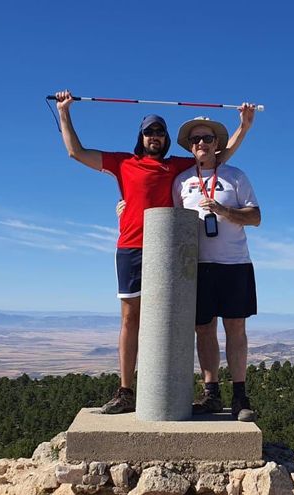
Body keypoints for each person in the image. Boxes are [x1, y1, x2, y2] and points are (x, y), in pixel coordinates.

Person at [53, 90, 255, 414]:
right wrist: (64, 112)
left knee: (172, 320)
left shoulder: (179, 167)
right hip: (131, 248)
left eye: (160, 132)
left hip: (169, 252)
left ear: (166, 139)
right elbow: (76, 152)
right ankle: (125, 391)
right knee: (131, 318)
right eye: (150, 132)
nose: (155, 137)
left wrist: (243, 127)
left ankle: (186, 393)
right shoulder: (122, 163)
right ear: (141, 136)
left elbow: (219, 156)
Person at [173, 116, 261, 422]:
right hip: (198, 267)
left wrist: (223, 211)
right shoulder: (181, 181)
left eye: (207, 138)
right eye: (196, 139)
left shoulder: (235, 176)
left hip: (235, 263)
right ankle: (211, 393)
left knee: (235, 329)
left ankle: (240, 396)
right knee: (203, 329)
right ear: (190, 146)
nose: (201, 143)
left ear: (217, 144)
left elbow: (256, 217)